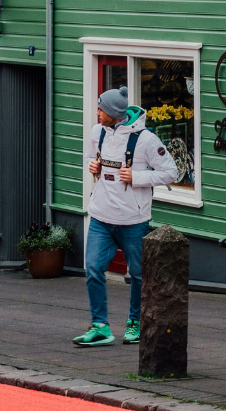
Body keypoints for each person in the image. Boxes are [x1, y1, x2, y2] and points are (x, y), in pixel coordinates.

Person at [75, 86, 178, 347]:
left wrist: (138, 177)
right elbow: (88, 156)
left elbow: (170, 173)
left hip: (133, 220)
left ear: (113, 112)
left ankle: (135, 323)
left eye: (101, 109)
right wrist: (92, 165)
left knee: (139, 274)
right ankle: (100, 326)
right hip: (100, 216)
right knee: (93, 269)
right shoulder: (97, 132)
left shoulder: (146, 139)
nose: (97, 112)